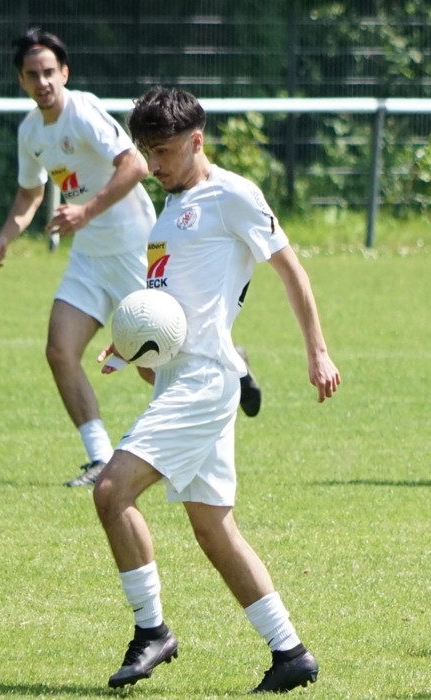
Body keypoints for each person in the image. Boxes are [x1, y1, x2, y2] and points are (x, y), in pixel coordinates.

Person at [91, 86, 340, 693]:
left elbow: (290, 268)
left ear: (196, 140)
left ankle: (151, 630)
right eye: (147, 151)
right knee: (214, 529)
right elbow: (166, 306)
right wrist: (131, 347)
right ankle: (290, 652)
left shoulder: (233, 195)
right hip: (177, 378)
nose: (154, 163)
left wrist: (317, 349)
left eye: (164, 150)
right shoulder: (165, 211)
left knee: (111, 491)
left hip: (203, 382)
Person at [0, 28, 156, 487]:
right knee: (60, 350)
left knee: (152, 365)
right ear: (21, 80)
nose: (42, 82)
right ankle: (100, 458)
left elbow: (136, 164)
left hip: (132, 246)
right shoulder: (30, 131)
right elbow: (30, 193)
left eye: (49, 72)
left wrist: (85, 211)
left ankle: (229, 367)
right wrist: (4, 239)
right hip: (89, 257)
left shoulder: (83, 111)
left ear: (64, 72)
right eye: (32, 74)